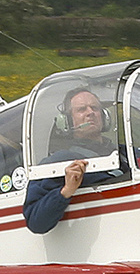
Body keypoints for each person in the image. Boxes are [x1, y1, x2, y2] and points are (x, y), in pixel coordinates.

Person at [23, 87, 119, 234]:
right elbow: (35, 222)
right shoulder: (58, 162)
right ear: (67, 121)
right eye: (81, 109)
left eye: (95, 108)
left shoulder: (122, 152)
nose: (90, 113)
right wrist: (66, 191)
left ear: (104, 116)